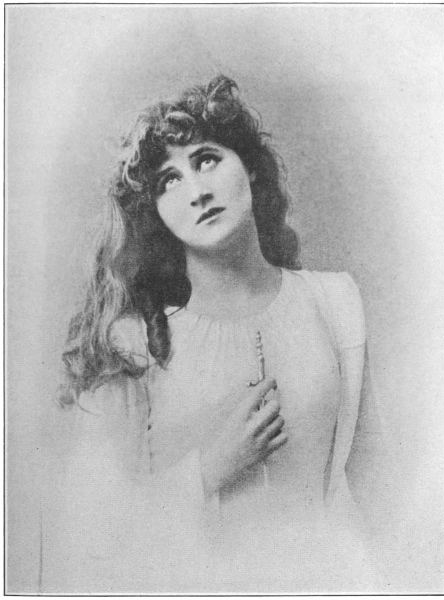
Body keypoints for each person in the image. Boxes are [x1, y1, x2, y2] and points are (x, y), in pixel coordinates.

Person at [42, 75, 391, 594]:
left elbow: (381, 489)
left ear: (249, 167)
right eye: (169, 181)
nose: (197, 191)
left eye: (206, 160)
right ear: (156, 214)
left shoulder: (335, 301)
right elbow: (89, 536)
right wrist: (209, 470)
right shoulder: (134, 343)